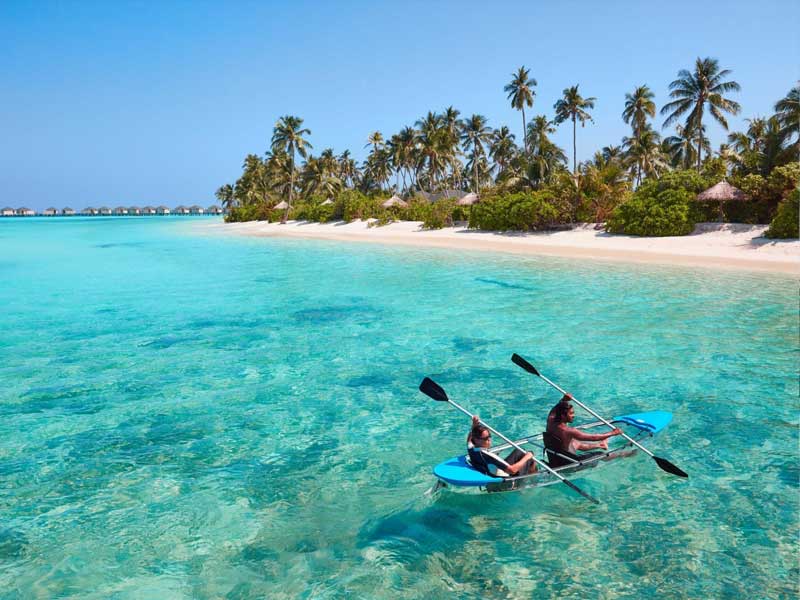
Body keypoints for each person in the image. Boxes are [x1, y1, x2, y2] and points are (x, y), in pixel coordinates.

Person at [546, 397, 622, 456]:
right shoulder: (569, 431)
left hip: (554, 455)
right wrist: (613, 433)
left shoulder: (550, 420)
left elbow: (555, 409)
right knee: (601, 455)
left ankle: (601, 445)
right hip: (568, 460)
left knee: (575, 442)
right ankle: (627, 454)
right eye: (571, 413)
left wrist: (563, 400)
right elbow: (593, 437)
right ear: (563, 416)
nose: (573, 416)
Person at [466, 415, 537, 477]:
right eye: (485, 438)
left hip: (492, 469)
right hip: (508, 477)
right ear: (476, 440)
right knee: (530, 458)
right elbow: (512, 470)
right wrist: (528, 456)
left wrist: (474, 425)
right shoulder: (489, 455)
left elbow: (469, 440)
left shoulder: (471, 449)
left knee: (520, 451)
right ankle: (533, 479)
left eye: (489, 436)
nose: (489, 440)